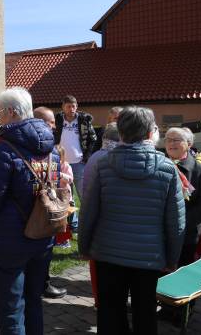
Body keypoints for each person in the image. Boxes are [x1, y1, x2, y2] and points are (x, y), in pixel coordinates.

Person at [78, 107, 186, 335]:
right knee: (145, 313)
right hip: (148, 259)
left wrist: (84, 247)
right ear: (150, 133)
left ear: (122, 133)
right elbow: (176, 222)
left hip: (107, 254)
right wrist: (172, 259)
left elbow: (88, 211)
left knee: (109, 313)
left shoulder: (102, 165)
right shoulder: (168, 169)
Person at [0, 89, 58, 334]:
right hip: (43, 232)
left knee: (11, 306)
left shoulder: (5, 147)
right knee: (33, 299)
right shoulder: (49, 145)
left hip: (11, 239)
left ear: (10, 112)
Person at [82, 122, 120, 308]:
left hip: (93, 214)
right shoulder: (112, 158)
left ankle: (99, 299)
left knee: (96, 264)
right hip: (107, 216)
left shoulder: (96, 155)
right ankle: (105, 301)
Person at [32, 106, 68, 300]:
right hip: (31, 207)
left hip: (46, 204)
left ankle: (42, 283)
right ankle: (39, 284)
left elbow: (52, 178)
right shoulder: (29, 146)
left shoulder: (52, 150)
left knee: (46, 248)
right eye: (50, 122)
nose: (54, 127)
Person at [164, 127, 201, 266]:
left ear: (189, 144)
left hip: (187, 236)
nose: (171, 143)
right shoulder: (158, 165)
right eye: (168, 140)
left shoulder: (200, 169)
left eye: (176, 140)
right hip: (160, 235)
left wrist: (178, 223)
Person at [53, 95, 97, 201]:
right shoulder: (57, 120)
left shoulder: (84, 120)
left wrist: (86, 157)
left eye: (73, 106)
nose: (71, 109)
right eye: (68, 106)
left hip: (79, 163)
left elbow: (93, 138)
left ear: (77, 106)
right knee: (65, 196)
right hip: (61, 164)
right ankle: (72, 217)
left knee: (84, 195)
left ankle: (86, 217)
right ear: (63, 107)